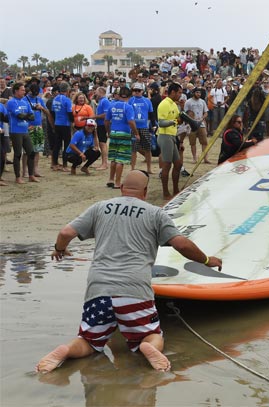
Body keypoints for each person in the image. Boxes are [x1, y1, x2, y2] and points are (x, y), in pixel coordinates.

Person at [35, 170, 223, 374]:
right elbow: (182, 244)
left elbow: (65, 232)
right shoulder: (155, 213)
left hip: (99, 290)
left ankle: (67, 351)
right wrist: (207, 260)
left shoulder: (100, 207)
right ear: (145, 191)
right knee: (152, 335)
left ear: (122, 188)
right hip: (135, 291)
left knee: (88, 341)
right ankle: (149, 346)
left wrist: (59, 249)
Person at [105, 87, 139, 189]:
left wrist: (109, 131)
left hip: (114, 132)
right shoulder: (128, 107)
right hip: (124, 133)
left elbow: (106, 121)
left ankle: (111, 179)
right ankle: (117, 182)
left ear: (119, 95)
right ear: (129, 96)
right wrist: (136, 133)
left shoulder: (112, 105)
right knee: (121, 159)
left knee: (113, 158)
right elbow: (131, 121)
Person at [6, 82, 39, 184]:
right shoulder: (12, 102)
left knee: (31, 152)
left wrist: (26, 116)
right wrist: (26, 116)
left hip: (25, 130)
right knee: (18, 154)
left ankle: (31, 175)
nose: (24, 92)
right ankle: (18, 177)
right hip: (15, 131)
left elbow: (32, 116)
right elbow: (19, 115)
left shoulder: (25, 102)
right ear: (16, 91)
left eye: (24, 90)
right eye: (22, 90)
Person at [157, 82, 184, 199]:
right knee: (167, 165)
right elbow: (161, 122)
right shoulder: (164, 104)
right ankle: (165, 192)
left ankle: (176, 189)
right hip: (165, 136)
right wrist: (174, 121)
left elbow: (179, 119)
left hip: (172, 135)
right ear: (173, 92)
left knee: (178, 164)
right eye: (179, 93)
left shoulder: (174, 104)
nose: (180, 95)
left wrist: (182, 112)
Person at [129, 83, 155, 173]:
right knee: (134, 149)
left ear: (142, 91)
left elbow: (151, 114)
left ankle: (149, 168)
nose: (136, 92)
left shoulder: (147, 101)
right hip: (134, 127)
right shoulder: (131, 100)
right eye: (135, 90)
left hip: (144, 127)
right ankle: (132, 168)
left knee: (147, 148)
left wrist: (154, 125)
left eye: (138, 90)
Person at [52, 81, 74, 172]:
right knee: (66, 144)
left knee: (57, 145)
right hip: (65, 124)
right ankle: (65, 165)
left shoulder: (55, 98)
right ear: (67, 90)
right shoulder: (67, 100)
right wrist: (72, 121)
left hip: (57, 123)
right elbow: (70, 113)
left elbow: (53, 112)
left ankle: (55, 164)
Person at [184, 88, 210, 164]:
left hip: (201, 124)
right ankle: (194, 158)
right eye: (197, 92)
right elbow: (186, 112)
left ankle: (205, 158)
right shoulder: (188, 102)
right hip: (191, 124)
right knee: (193, 142)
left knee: (204, 142)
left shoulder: (202, 101)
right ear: (193, 93)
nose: (199, 94)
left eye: (200, 93)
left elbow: (206, 112)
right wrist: (190, 120)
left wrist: (202, 118)